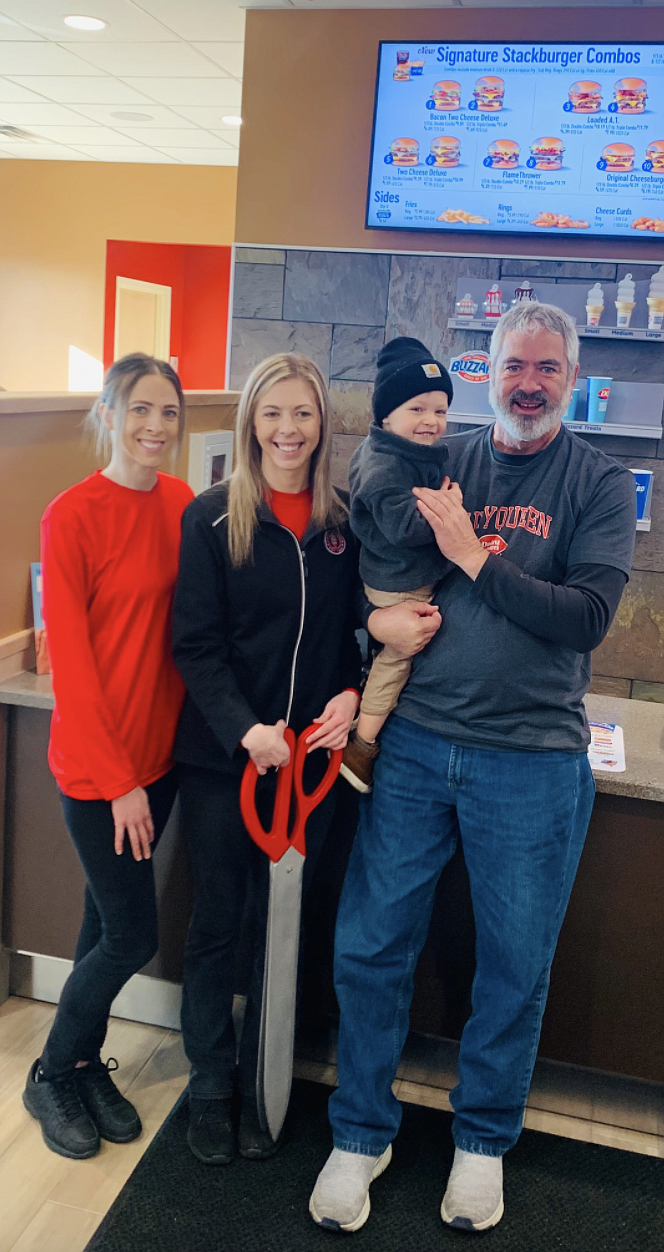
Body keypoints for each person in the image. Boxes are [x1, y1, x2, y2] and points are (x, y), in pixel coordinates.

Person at [310, 303, 636, 1233]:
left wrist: (472, 558)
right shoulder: (436, 455)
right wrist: (374, 625)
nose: (528, 382)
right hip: (413, 744)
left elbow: (585, 618)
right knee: (372, 945)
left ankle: (483, 1141)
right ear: (485, 370)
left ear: (569, 377)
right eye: (513, 365)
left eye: (547, 368)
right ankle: (360, 1131)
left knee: (513, 965)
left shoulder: (601, 484)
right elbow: (371, 564)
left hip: (531, 762)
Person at [172, 353, 362, 1166]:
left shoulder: (342, 524)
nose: (289, 430)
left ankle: (264, 1084)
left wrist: (351, 696)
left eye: (304, 414)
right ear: (252, 421)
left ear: (323, 426)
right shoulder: (213, 516)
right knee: (217, 924)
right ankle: (212, 1087)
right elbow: (195, 644)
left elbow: (352, 638)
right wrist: (246, 730)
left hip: (310, 773)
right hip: (227, 762)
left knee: (280, 927)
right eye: (273, 413)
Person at [24, 354, 193, 1160]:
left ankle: (85, 1060)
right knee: (130, 936)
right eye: (140, 409)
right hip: (100, 770)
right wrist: (121, 782)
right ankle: (51, 1071)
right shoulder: (72, 515)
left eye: (168, 412)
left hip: (159, 760)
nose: (155, 426)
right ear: (109, 413)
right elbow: (76, 667)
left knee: (103, 923)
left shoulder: (183, 504)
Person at [340, 337, 454, 794]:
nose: (430, 421)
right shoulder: (384, 465)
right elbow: (406, 528)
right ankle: (361, 746)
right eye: (417, 409)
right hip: (398, 583)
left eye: (440, 411)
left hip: (397, 573)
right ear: (386, 415)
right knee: (397, 659)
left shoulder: (399, 451)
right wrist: (446, 509)